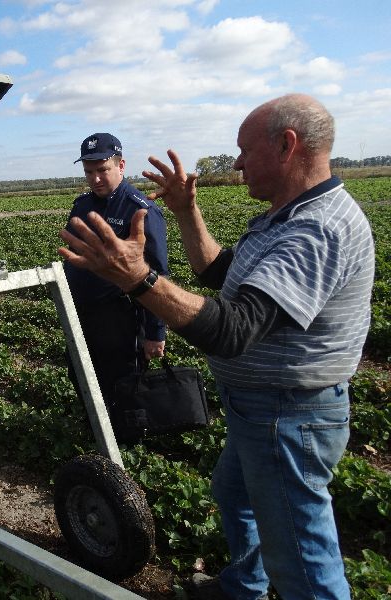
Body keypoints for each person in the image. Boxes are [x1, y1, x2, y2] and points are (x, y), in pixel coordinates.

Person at [58, 95, 375, 600]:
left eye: (245, 150)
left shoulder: (318, 227)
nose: (237, 164)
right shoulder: (284, 217)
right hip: (260, 409)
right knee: (234, 495)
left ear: (287, 145)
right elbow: (221, 273)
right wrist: (187, 212)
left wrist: (138, 280)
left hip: (287, 415)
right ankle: (243, 588)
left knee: (300, 555)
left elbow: (234, 328)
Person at [63, 132, 168, 442]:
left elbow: (157, 274)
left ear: (121, 166)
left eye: (102, 170)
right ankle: (96, 433)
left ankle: (126, 444)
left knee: (123, 383)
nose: (95, 178)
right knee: (81, 373)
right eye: (89, 171)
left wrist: (155, 332)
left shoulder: (139, 210)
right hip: (83, 313)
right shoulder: (82, 206)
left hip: (120, 317)